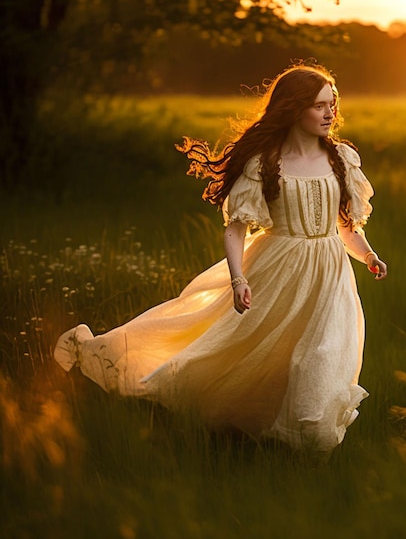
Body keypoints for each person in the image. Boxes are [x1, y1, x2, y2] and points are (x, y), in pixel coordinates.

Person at [54, 62, 387, 453]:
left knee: (322, 354)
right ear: (294, 109)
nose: (329, 114)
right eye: (319, 106)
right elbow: (237, 228)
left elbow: (346, 225)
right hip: (279, 269)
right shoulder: (265, 163)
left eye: (332, 105)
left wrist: (367, 255)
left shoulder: (340, 159)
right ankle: (239, 420)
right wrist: (238, 278)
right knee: (245, 349)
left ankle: (309, 439)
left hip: (329, 275)